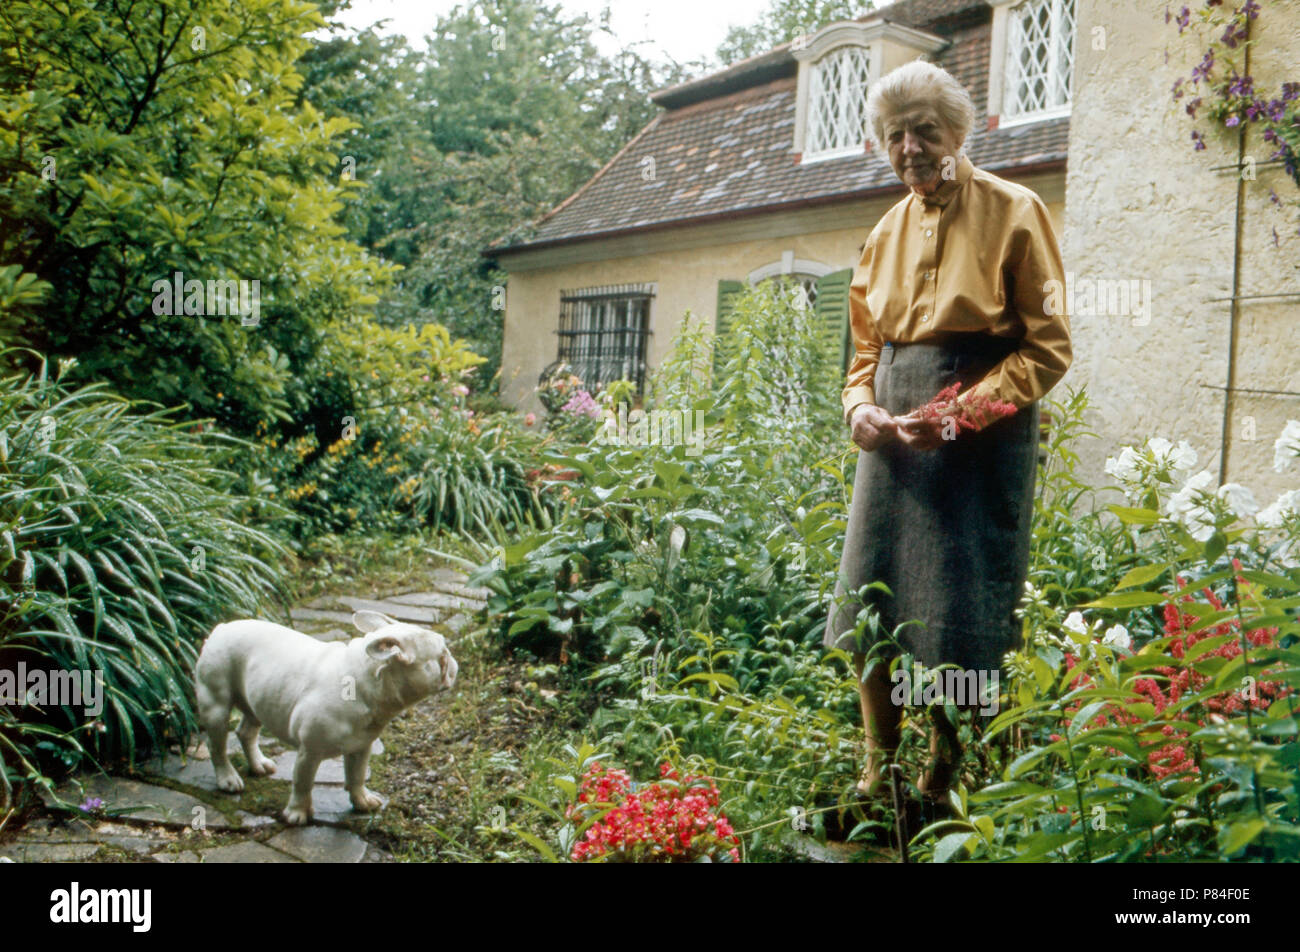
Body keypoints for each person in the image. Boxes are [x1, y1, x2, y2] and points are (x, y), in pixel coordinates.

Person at [823, 60, 1073, 807]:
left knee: (961, 610)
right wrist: (859, 409)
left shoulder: (1017, 209)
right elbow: (864, 357)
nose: (909, 149)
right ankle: (879, 765)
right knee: (872, 599)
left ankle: (943, 766)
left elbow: (1048, 347)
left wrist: (959, 414)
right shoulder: (882, 231)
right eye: (894, 136)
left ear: (957, 133)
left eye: (924, 131)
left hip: (981, 438)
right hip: (892, 446)